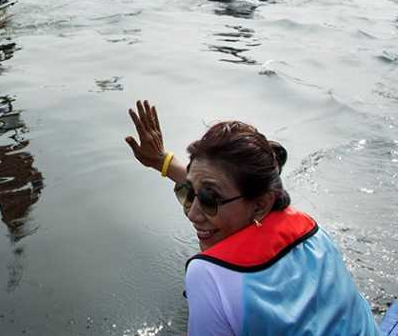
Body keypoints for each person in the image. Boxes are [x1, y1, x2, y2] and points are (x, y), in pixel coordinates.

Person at [125, 100, 379, 335]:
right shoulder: (313, 233)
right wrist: (162, 161)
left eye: (209, 200)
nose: (192, 214)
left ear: (260, 206)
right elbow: (216, 188)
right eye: (188, 193)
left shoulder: (208, 275)